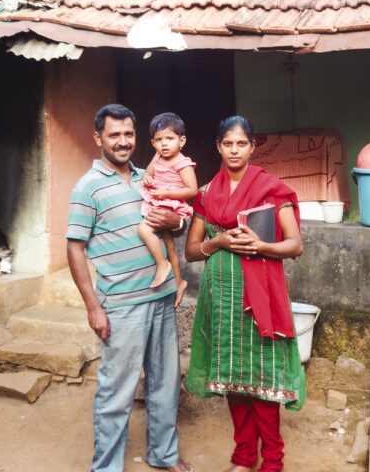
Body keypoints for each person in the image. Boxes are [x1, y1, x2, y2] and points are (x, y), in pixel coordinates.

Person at [66, 103, 194, 472]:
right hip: (121, 304)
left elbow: (175, 224)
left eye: (128, 134)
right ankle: (106, 467)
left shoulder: (150, 176)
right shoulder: (87, 187)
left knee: (166, 383)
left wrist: (174, 222)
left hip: (162, 295)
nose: (123, 142)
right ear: (98, 138)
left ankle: (163, 455)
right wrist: (93, 307)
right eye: (114, 135)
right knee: (117, 391)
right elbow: (75, 247)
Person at [184, 115, 306, 472]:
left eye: (241, 143)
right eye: (227, 143)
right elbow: (191, 250)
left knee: (261, 376)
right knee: (232, 376)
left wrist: (261, 245)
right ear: (218, 147)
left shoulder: (272, 189)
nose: (234, 150)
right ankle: (243, 458)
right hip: (221, 295)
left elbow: (295, 245)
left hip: (261, 297)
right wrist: (219, 241)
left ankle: (273, 461)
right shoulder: (206, 194)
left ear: (253, 147)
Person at [140, 112, 198, 305]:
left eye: (170, 139)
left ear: (182, 141)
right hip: (158, 202)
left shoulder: (183, 164)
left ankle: (162, 264)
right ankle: (180, 282)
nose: (164, 144)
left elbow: (192, 190)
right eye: (159, 140)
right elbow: (149, 172)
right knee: (170, 247)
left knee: (143, 230)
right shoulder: (157, 157)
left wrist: (166, 194)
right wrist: (147, 178)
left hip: (171, 205)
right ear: (153, 143)